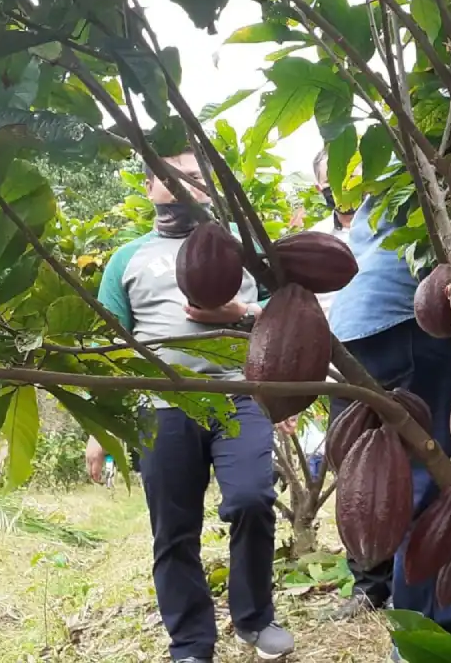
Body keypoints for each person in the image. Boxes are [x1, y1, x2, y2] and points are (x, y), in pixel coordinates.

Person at [87, 151, 294, 662]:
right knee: (174, 531)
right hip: (163, 405)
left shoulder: (242, 251)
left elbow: (289, 311)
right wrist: (99, 426)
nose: (180, 186)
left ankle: (254, 618)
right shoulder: (126, 259)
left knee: (251, 500)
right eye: (167, 176)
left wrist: (242, 312)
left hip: (237, 395)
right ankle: (191, 642)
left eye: (194, 178)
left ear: (209, 186)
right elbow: (105, 346)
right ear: (149, 186)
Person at [325, 185, 451, 646]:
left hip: (355, 326)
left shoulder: (382, 188)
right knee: (427, 478)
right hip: (406, 321)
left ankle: (397, 601)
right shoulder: (441, 176)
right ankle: (424, 631)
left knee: (376, 469)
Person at [299, 149, 356, 482]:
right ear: (321, 188)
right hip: (339, 368)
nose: (344, 186)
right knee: (349, 462)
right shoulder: (314, 239)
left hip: (395, 355)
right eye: (332, 179)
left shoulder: (391, 225)